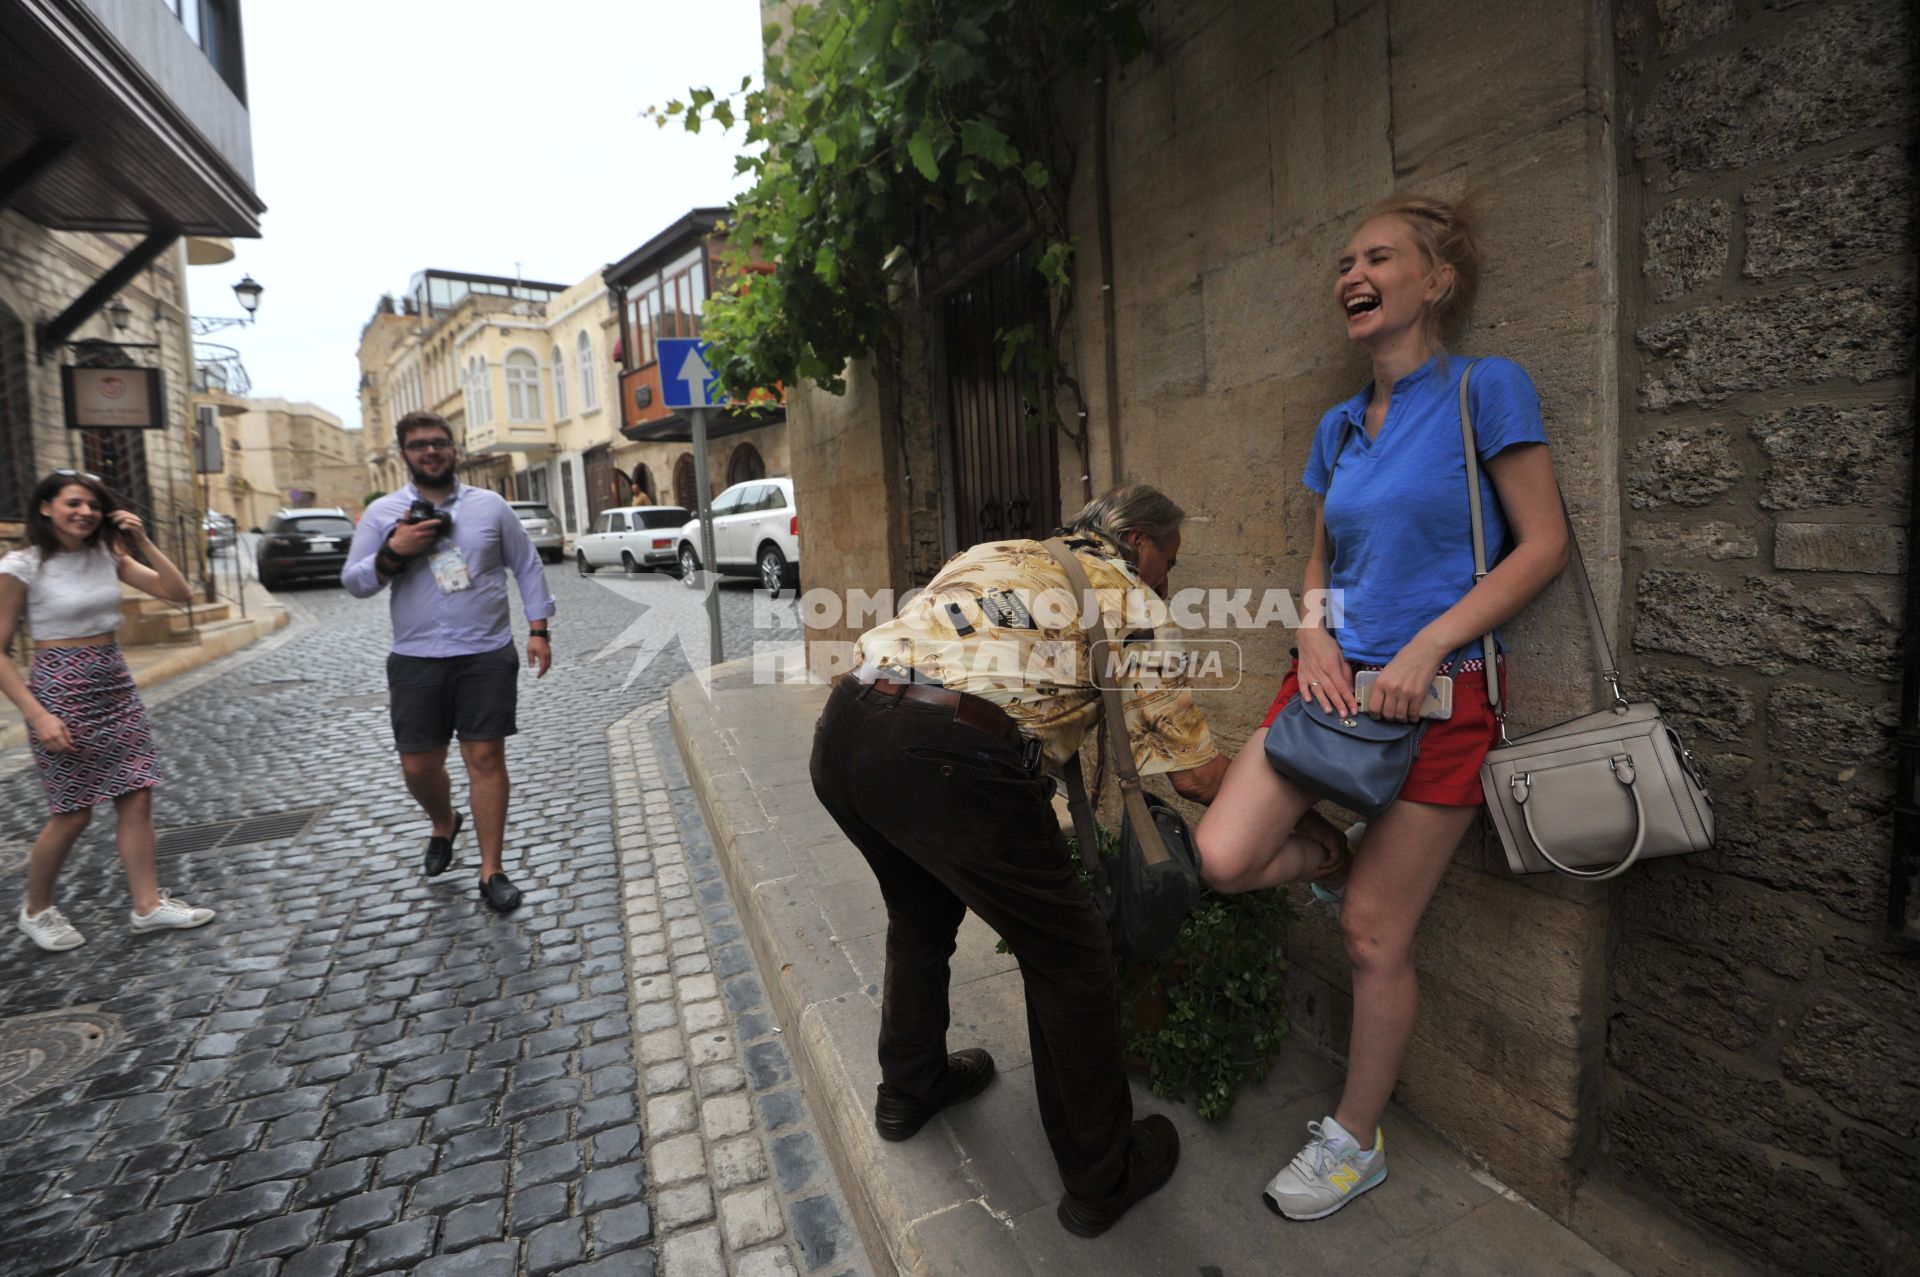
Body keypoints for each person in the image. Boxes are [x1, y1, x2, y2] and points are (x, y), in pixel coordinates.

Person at [1195, 195, 1570, 1221]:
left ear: (1435, 281)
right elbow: (1321, 556)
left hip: (1439, 701)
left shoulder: (1485, 390)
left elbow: (1543, 542)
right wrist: (1310, 630)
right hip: (1324, 685)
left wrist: (1431, 640)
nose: (1351, 275)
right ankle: (1330, 855)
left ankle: (1355, 1139)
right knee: (1223, 857)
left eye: (1378, 257)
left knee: (1372, 935)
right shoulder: (1338, 426)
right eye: (1344, 263)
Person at [811, 484, 1231, 1238]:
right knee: (1071, 956)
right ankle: (1102, 1175)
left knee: (920, 912)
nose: (1170, 577)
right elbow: (1196, 775)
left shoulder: (1001, 554)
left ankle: (910, 1087)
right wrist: (1301, 806)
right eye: (1171, 560)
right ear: (1138, 543)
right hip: (948, 755)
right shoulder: (1131, 599)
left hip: (846, 728)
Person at [342, 411, 554, 913]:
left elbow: (527, 565)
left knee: (485, 760)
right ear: (405, 454)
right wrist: (393, 552)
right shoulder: (383, 514)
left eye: (439, 443)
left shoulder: (491, 507)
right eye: (419, 445)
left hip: (485, 652)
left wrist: (539, 630)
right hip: (416, 658)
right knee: (418, 767)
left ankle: (491, 870)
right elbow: (355, 582)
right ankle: (444, 822)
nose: (430, 451)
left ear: (454, 449)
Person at [2, 471, 214, 951]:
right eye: (73, 503)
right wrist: (37, 715)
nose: (85, 513)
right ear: (46, 507)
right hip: (60, 689)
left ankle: (147, 907)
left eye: (93, 506)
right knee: (73, 812)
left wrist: (140, 539)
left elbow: (178, 593)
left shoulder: (107, 555)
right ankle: (36, 909)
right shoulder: (22, 565)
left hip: (114, 683)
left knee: (137, 796)